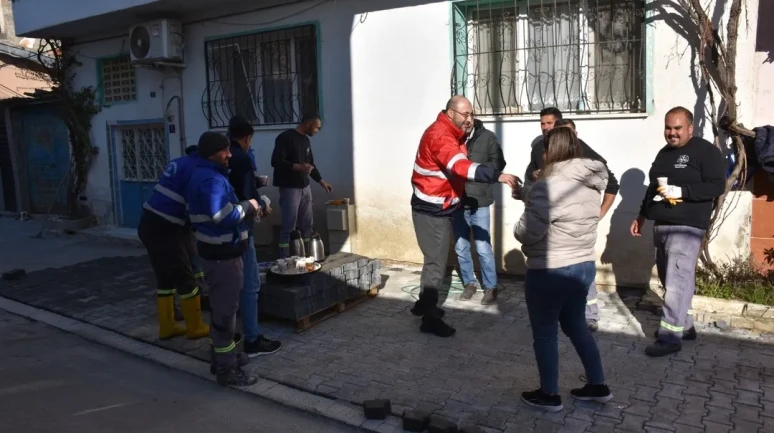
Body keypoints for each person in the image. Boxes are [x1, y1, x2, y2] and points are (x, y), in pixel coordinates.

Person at [514, 126, 612, 412]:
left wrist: (521, 218)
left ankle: (549, 394)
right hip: (582, 266)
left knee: (545, 334)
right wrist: (527, 195)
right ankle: (597, 385)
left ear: (549, 151)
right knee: (577, 327)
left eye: (542, 150)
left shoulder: (549, 185)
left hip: (551, 270)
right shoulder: (590, 182)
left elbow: (528, 232)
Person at [410, 95, 520, 337]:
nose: (470, 119)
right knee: (436, 264)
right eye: (465, 114)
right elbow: (460, 166)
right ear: (451, 114)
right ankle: (429, 319)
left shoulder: (453, 133)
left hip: (444, 206)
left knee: (437, 260)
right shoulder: (441, 136)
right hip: (431, 210)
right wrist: (497, 176)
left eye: (472, 114)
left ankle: (422, 305)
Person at [631, 107, 725, 358]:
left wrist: (681, 192)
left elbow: (717, 185)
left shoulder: (705, 151)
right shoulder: (664, 153)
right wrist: (642, 215)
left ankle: (670, 337)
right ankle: (685, 326)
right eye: (668, 128)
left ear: (690, 128)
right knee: (671, 278)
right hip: (661, 224)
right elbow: (653, 187)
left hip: (687, 226)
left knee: (676, 281)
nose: (672, 133)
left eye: (677, 128)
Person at [523, 109, 620, 332]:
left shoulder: (582, 151)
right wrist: (536, 176)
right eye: (543, 124)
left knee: (581, 272)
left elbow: (612, 183)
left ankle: (590, 315)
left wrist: (598, 214)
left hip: (576, 233)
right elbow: (531, 173)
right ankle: (567, 316)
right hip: (552, 229)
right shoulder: (539, 148)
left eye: (550, 124)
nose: (546, 127)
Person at [187, 131, 261, 387]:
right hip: (222, 258)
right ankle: (227, 370)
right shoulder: (210, 180)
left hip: (220, 255)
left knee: (223, 310)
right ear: (211, 153)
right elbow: (223, 216)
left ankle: (222, 357)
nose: (230, 154)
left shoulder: (209, 175)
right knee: (225, 314)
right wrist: (250, 205)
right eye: (224, 150)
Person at [138, 145, 210, 341]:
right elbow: (193, 206)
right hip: (167, 227)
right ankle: (195, 326)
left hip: (149, 223)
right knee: (185, 277)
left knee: (165, 279)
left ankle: (167, 327)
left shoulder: (180, 162)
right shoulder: (197, 170)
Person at [227, 115, 282, 357]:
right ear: (248, 138)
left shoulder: (220, 157)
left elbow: (236, 186)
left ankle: (228, 334)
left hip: (218, 233)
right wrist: (262, 205)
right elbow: (247, 194)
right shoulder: (241, 158)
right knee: (250, 285)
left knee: (229, 285)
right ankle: (252, 339)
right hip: (240, 227)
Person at [454, 116, 507, 305]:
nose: (466, 121)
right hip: (458, 201)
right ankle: (469, 283)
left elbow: (499, 163)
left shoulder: (488, 137)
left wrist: (475, 170)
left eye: (469, 116)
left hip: (480, 200)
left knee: (483, 247)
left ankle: (491, 286)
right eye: (462, 117)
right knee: (461, 246)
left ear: (473, 118)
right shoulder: (452, 138)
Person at [270, 114, 333, 258]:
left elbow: (310, 165)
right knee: (289, 226)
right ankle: (286, 259)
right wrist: (297, 167)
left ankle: (307, 257)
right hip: (289, 187)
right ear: (308, 123)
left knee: (307, 225)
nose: (317, 131)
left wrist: (322, 181)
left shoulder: (305, 140)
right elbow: (276, 161)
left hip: (305, 188)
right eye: (317, 127)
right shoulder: (285, 137)